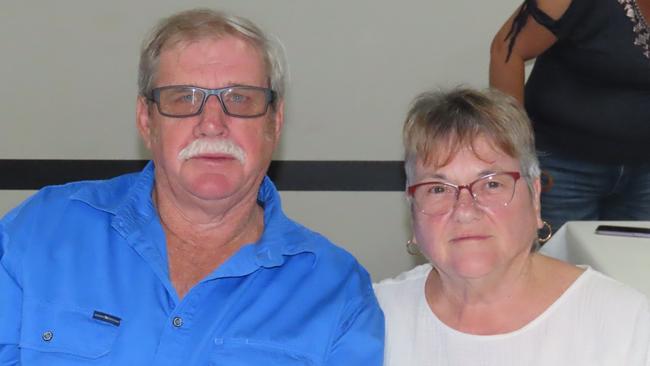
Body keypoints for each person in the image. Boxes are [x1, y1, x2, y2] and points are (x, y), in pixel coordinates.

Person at [0, 9, 383, 365]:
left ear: (275, 122)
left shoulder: (336, 290)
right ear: (146, 120)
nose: (212, 123)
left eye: (240, 98)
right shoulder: (39, 233)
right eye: (184, 98)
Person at [374, 88, 650, 365]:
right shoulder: (375, 317)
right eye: (437, 189)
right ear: (412, 210)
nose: (465, 211)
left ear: (535, 197)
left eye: (492, 183)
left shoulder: (626, 326)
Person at [489, 0, 650, 232]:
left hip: (644, 173)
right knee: (557, 262)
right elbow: (506, 50)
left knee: (632, 265)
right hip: (562, 169)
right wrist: (514, 153)